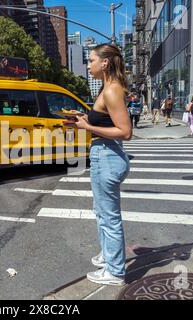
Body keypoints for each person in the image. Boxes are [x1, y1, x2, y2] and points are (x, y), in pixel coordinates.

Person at [74, 44, 132, 286]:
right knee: (101, 212)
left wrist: (88, 127)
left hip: (107, 157)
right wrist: (85, 119)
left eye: (91, 60)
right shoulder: (107, 89)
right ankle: (109, 256)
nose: (88, 65)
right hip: (104, 154)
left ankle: (115, 271)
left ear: (105, 63)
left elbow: (125, 131)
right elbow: (108, 120)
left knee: (109, 217)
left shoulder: (111, 90)